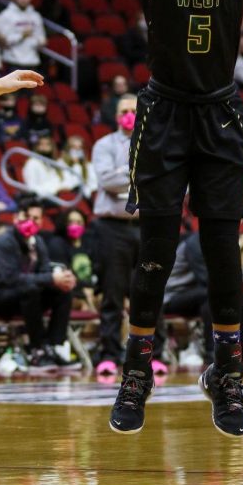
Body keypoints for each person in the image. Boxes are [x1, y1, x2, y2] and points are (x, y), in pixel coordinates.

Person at [96, 0, 243, 437]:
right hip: (162, 115)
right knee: (154, 248)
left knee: (221, 251)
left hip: (217, 116)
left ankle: (227, 374)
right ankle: (136, 370)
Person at [0, 197, 76, 367]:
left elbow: (45, 271)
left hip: (16, 297)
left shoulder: (38, 242)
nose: (30, 222)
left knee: (62, 291)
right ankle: (37, 350)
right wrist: (50, 278)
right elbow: (11, 279)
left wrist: (61, 278)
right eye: (26, 217)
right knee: (30, 290)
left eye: (35, 218)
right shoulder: (3, 241)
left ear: (42, 221)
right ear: (15, 218)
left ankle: (55, 346)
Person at [91, 94, 143, 374]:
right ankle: (108, 354)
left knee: (147, 293)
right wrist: (140, 173)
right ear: (116, 115)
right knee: (112, 293)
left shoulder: (153, 141)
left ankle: (150, 354)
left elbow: (169, 184)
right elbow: (106, 181)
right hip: (112, 227)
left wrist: (122, 176)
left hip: (146, 227)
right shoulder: (104, 145)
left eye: (134, 110)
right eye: (124, 110)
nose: (128, 114)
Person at [0, 0, 46, 73]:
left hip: (32, 61)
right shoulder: (6, 15)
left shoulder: (35, 15)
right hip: (13, 62)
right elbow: (4, 41)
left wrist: (40, 41)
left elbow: (41, 37)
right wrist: (22, 35)